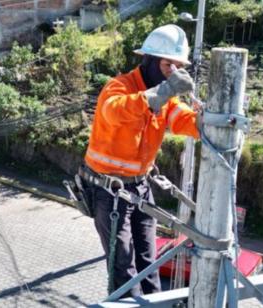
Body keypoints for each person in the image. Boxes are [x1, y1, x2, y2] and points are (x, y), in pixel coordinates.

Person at [80, 24, 199, 298]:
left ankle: (154, 303)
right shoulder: (119, 87)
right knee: (124, 267)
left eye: (178, 67)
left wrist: (210, 123)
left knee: (149, 260)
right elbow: (116, 112)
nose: (173, 72)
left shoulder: (165, 96)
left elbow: (181, 119)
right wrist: (163, 91)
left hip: (140, 188)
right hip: (108, 191)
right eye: (169, 65)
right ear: (149, 60)